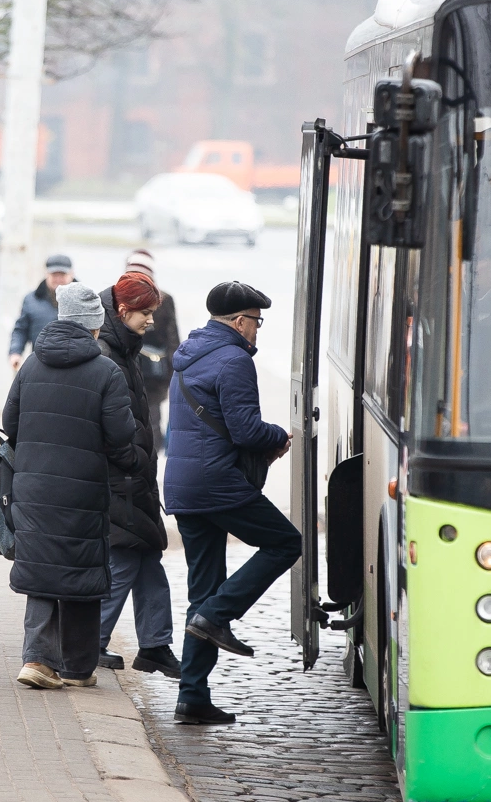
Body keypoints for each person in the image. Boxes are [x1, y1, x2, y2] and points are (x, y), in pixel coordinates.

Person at [164, 281, 299, 725]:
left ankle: (192, 696)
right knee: (286, 543)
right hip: (217, 484)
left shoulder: (190, 352)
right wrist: (280, 436)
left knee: (201, 588)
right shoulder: (235, 359)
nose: (258, 330)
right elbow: (244, 430)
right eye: (257, 322)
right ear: (241, 322)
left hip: (184, 486)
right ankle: (218, 614)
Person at [3, 282, 138, 689]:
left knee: (42, 566)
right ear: (95, 327)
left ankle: (37, 659)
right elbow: (121, 437)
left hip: (33, 488)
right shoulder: (106, 372)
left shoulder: (30, 365)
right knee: (80, 570)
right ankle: (78, 669)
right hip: (82, 490)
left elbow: (11, 425)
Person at [95, 272, 180, 679]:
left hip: (134, 478)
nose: (151, 321)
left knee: (147, 559)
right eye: (145, 313)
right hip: (121, 481)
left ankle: (155, 645)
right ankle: (90, 642)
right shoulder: (108, 352)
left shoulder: (123, 346)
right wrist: (131, 460)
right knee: (126, 558)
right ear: (124, 311)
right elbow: (110, 424)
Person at [124, 249, 181, 453]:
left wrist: (173, 373)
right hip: (124, 370)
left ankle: (151, 464)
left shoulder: (164, 300)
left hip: (154, 373)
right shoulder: (116, 299)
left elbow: (173, 338)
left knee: (152, 420)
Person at [8, 254, 74, 370]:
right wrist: (15, 352)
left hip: (73, 365)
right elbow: (21, 329)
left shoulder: (84, 301)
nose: (58, 279)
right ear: (46, 275)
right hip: (40, 365)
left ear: (71, 275)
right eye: (54, 275)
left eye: (62, 275)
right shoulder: (31, 300)